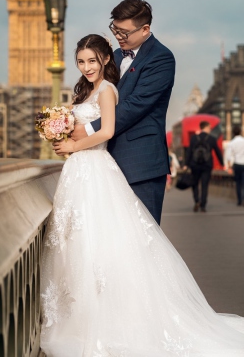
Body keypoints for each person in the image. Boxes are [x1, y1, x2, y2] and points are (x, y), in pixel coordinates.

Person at [40, 34, 244, 356]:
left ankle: (110, 319)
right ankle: (80, 314)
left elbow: (107, 131)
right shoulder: (85, 90)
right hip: (78, 173)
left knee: (103, 245)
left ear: (105, 60)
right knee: (77, 243)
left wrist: (72, 144)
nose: (87, 66)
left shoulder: (107, 90)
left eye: (92, 60)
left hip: (95, 169)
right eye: (81, 61)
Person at [56, 0, 175, 225]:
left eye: (124, 32)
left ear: (145, 29)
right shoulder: (115, 55)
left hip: (140, 165)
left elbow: (136, 105)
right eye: (115, 30)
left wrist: (90, 128)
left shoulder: (161, 58)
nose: (118, 37)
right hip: (105, 166)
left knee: (144, 239)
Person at [185, 120, 224, 212]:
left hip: (195, 165)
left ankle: (196, 201)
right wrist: (223, 164)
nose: (210, 129)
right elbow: (218, 152)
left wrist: (186, 164)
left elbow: (189, 151)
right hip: (207, 165)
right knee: (204, 185)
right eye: (210, 128)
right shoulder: (212, 139)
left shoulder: (194, 138)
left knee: (194, 183)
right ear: (206, 127)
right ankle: (203, 205)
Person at [224, 125, 244, 206]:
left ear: (233, 133)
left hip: (237, 164)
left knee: (238, 183)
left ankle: (240, 200)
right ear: (240, 132)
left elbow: (229, 156)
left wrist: (229, 167)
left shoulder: (231, 143)